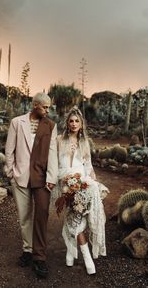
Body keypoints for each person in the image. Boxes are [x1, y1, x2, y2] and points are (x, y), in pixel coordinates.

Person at [5, 92, 58, 278]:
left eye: (49, 107)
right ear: (35, 105)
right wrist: (10, 172)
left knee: (42, 215)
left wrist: (52, 177)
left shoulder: (51, 126)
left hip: (43, 178)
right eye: (45, 107)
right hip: (20, 176)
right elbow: (9, 149)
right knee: (24, 216)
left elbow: (52, 152)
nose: (48, 110)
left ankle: (40, 257)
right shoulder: (17, 122)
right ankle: (28, 250)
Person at [56, 107, 109, 275]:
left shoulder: (85, 142)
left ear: (81, 124)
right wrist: (62, 179)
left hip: (83, 181)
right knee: (75, 216)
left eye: (76, 121)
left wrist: (93, 181)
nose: (73, 123)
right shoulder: (59, 140)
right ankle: (86, 257)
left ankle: (71, 252)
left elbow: (88, 166)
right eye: (71, 121)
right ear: (67, 123)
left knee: (78, 216)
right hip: (66, 182)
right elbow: (55, 164)